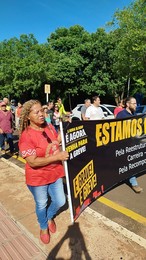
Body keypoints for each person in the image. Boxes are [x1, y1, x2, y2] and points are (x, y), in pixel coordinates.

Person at [18, 100, 69, 244]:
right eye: (37, 112)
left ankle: (49, 217)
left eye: (42, 111)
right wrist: (58, 156)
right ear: (28, 116)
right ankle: (43, 227)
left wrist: (63, 132)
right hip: (38, 178)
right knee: (41, 204)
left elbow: (56, 141)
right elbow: (32, 161)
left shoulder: (48, 126)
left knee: (60, 201)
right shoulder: (26, 136)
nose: (41, 114)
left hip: (55, 173)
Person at [116, 96, 143, 193]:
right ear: (127, 104)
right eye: (134, 103)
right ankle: (134, 183)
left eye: (136, 103)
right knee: (129, 162)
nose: (136, 105)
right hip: (124, 145)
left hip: (132, 143)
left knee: (128, 163)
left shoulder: (134, 113)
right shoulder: (121, 115)